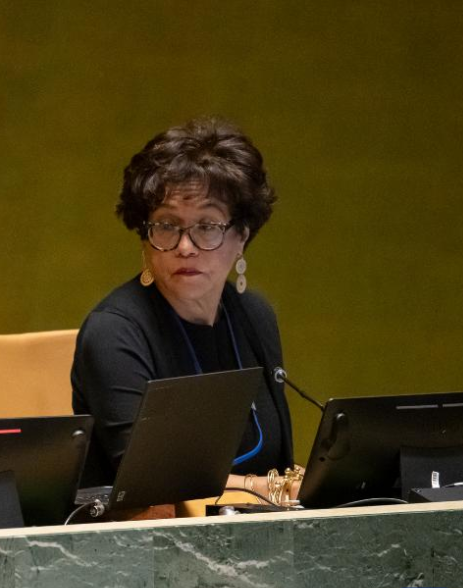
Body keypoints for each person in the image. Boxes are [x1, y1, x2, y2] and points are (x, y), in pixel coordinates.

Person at [71, 117, 298, 501]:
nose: (185, 246)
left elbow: (279, 456)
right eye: (167, 225)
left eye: (207, 225)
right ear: (144, 237)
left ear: (241, 235)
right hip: (146, 545)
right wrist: (265, 488)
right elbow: (149, 479)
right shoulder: (114, 332)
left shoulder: (254, 317)